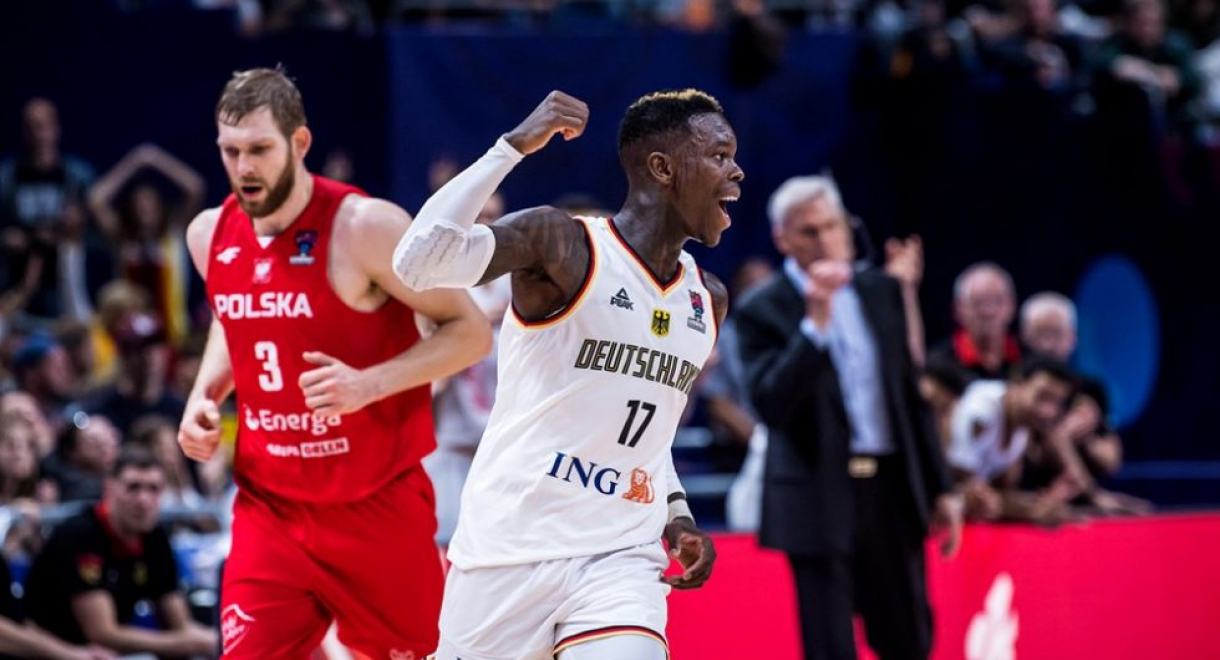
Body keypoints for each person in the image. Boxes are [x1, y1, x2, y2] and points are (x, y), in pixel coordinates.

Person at [392, 89, 735, 660]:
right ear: (663, 168)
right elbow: (416, 264)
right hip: (509, 551)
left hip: (619, 557)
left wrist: (676, 517)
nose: (736, 171)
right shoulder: (562, 244)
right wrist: (509, 148)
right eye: (719, 155)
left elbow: (646, 436)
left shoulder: (707, 298)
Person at [175, 67, 491, 659]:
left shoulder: (364, 227)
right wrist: (203, 396)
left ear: (299, 143)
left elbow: (470, 332)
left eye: (259, 150)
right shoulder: (208, 235)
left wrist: (369, 384)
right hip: (270, 507)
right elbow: (233, 316)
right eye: (230, 151)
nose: (243, 167)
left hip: (375, 504)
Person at [734, 175, 962, 660]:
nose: (824, 240)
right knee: (830, 647)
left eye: (832, 226)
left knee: (910, 639)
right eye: (809, 231)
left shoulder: (881, 291)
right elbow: (770, 405)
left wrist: (941, 487)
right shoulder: (761, 308)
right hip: (816, 491)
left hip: (890, 487)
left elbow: (909, 396)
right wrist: (814, 327)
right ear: (782, 239)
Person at [23, 444, 216, 657]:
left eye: (153, 489)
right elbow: (102, 633)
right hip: (51, 652)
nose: (144, 500)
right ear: (109, 488)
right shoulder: (80, 535)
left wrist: (215, 641)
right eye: (133, 488)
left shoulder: (154, 537)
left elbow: (180, 625)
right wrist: (190, 644)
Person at [930, 261, 1021, 380]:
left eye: (996, 302)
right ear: (958, 310)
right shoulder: (939, 364)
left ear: (1013, 307)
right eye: (978, 302)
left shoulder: (1028, 361)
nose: (988, 312)